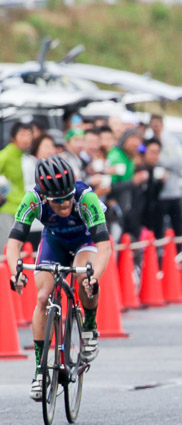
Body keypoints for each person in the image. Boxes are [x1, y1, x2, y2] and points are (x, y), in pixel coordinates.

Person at [5, 156, 111, 400]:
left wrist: (95, 277)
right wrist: (15, 273)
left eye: (67, 198)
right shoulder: (32, 199)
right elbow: (13, 244)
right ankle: (40, 371)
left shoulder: (87, 198)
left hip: (84, 241)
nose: (64, 205)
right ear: (44, 197)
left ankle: (89, 326)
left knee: (85, 273)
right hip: (53, 242)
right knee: (42, 297)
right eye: (57, 201)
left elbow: (104, 246)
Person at [0, 121, 34, 250]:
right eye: (22, 134)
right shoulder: (6, 154)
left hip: (21, 209)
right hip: (7, 209)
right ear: (13, 137)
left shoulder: (26, 157)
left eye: (29, 134)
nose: (26, 138)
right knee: (7, 249)